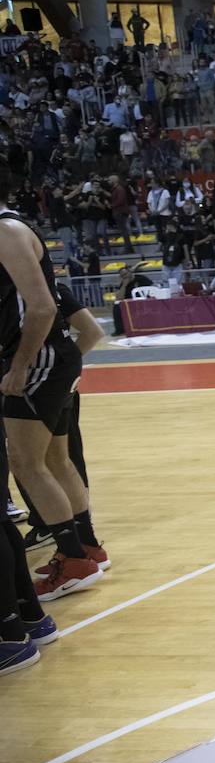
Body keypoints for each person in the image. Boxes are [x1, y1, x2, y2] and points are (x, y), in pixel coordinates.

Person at [0, 176, 104, 604]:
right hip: (51, 358)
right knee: (55, 459)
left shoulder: (5, 231)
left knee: (26, 464)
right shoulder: (12, 227)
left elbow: (42, 307)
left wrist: (20, 366)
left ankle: (73, 559)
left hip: (37, 358)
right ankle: (87, 547)